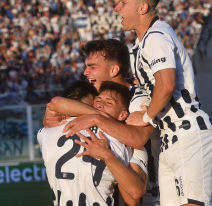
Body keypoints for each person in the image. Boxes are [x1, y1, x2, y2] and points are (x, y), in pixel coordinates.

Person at [113, 0, 212, 206]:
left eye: (123, 2)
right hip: (169, 139)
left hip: (189, 133)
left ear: (142, 7)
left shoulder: (156, 37)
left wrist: (146, 117)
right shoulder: (141, 45)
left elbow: (167, 84)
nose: (116, 7)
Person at [43, 39, 160, 205]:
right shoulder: (97, 98)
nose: (85, 72)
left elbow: (138, 139)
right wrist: (52, 115)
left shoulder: (138, 98)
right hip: (111, 191)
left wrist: (97, 118)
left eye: (92, 67)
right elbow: (55, 105)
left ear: (113, 70)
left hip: (146, 194)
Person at [38, 80, 148, 206]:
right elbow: (133, 198)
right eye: (97, 101)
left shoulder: (45, 134)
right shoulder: (121, 142)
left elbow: (56, 104)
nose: (100, 104)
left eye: (109, 102)